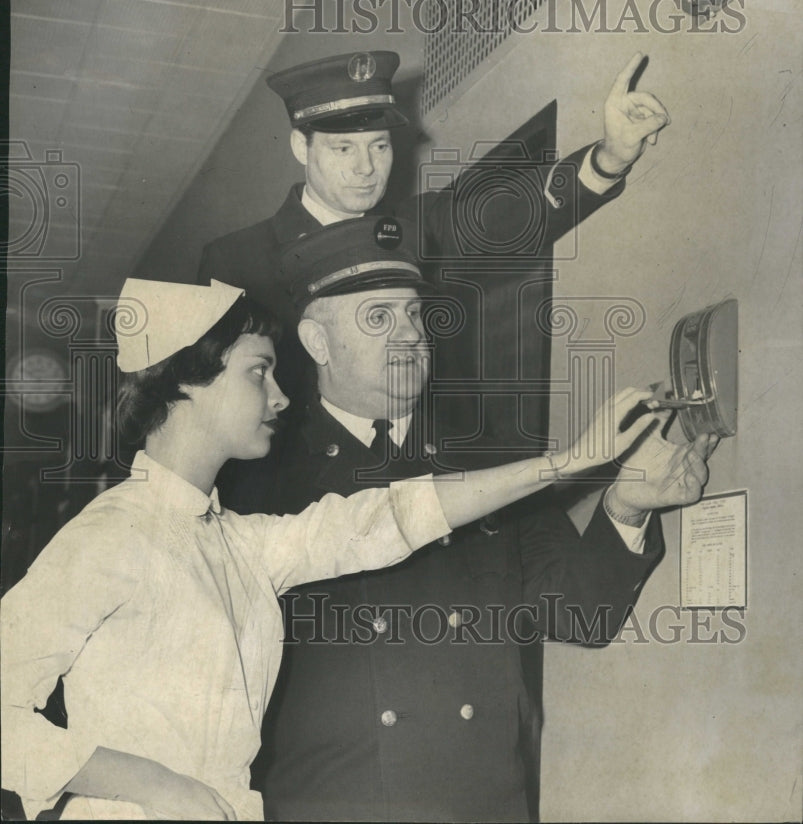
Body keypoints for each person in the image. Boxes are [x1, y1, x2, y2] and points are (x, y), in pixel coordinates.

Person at [0, 278, 666, 822]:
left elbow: (386, 519)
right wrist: (151, 783)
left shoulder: (236, 542)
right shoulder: (110, 536)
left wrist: (570, 462)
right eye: (258, 373)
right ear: (184, 384)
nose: (282, 396)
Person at [254, 219, 717, 823]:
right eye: (378, 318)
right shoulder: (261, 479)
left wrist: (629, 504)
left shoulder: (493, 462)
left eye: (415, 315)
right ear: (317, 342)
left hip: (481, 804)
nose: (410, 337)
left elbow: (579, 613)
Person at [198, 48, 669, 507]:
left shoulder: (417, 229)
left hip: (428, 488)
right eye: (343, 148)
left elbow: (512, 217)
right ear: (302, 146)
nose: (366, 168)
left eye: (379, 146)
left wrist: (609, 157)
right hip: (299, 502)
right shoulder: (237, 262)